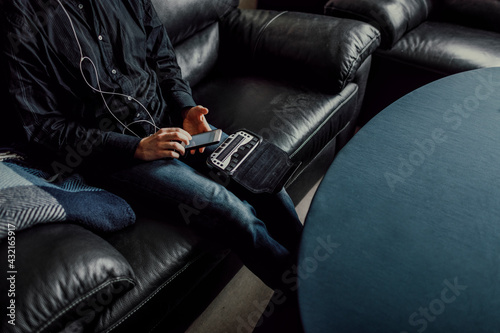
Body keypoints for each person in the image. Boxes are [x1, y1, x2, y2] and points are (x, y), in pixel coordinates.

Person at [2, 0, 303, 292]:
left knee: (257, 172)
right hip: (117, 154)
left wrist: (186, 109)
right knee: (232, 210)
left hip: (170, 120)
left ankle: (309, 260)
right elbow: (43, 127)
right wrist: (136, 148)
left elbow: (162, 57)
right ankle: (298, 289)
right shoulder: (19, 18)